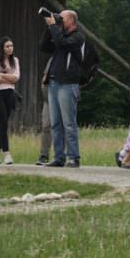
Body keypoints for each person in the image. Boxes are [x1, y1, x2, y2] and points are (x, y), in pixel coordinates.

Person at [40, 9, 87, 168]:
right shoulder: (60, 35)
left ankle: (73, 157)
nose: (60, 19)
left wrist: (54, 26)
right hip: (53, 84)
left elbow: (62, 44)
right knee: (56, 124)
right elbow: (44, 46)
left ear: (72, 21)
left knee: (68, 123)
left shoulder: (78, 37)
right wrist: (50, 27)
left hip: (68, 84)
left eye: (63, 18)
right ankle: (59, 157)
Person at [0, 36, 20, 165]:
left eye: (11, 46)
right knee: (2, 121)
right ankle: (7, 153)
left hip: (10, 93)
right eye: (7, 46)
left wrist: (2, 75)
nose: (10, 48)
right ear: (2, 47)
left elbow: (17, 77)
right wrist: (9, 78)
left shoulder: (15, 60)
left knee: (3, 123)